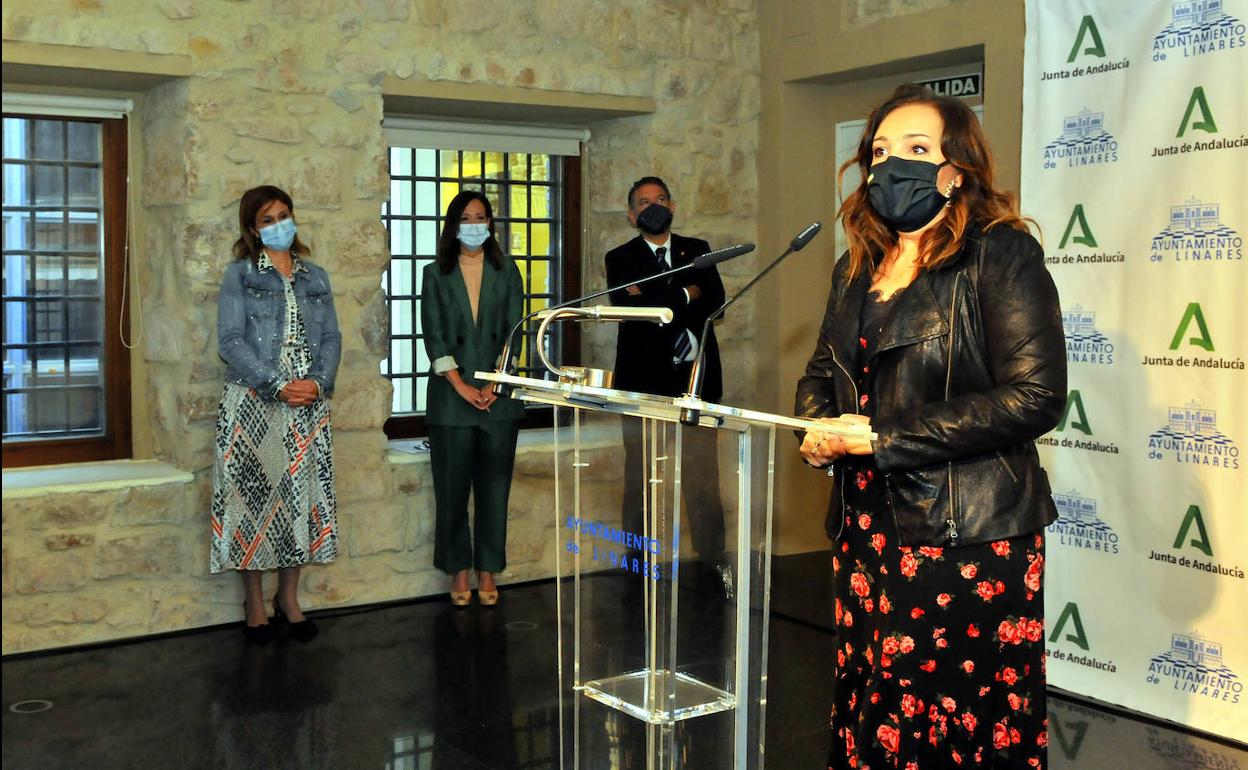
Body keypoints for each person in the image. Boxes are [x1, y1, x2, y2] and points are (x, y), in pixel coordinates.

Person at [795, 83, 1066, 768]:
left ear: (957, 169)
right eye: (881, 151)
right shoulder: (855, 267)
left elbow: (1036, 396)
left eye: (917, 149)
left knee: (955, 714)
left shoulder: (1000, 255)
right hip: (865, 526)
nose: (893, 166)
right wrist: (818, 431)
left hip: (965, 533)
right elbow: (820, 375)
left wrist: (883, 437)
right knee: (877, 703)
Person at [212, 184, 342, 643]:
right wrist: (277, 385)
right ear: (252, 227)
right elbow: (230, 341)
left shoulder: (316, 276)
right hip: (254, 402)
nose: (279, 224)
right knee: (250, 502)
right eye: (268, 219)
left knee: (299, 501)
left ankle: (288, 598)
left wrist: (318, 383)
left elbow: (330, 339)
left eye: (284, 215)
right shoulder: (240, 274)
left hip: (307, 404)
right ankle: (253, 602)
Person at [605, 176, 728, 579]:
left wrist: (661, 299)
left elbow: (718, 304)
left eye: (660, 199)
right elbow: (629, 308)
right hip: (642, 380)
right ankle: (638, 563)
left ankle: (713, 562)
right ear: (631, 214)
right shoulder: (619, 258)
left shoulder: (699, 250)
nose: (653, 206)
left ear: (672, 207)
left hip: (696, 380)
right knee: (639, 474)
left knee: (703, 475)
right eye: (643, 202)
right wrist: (686, 294)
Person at [422, 190, 525, 606]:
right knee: (451, 492)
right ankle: (458, 572)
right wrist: (462, 386)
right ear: (453, 224)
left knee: (494, 490)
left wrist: (495, 384)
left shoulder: (508, 270)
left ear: (490, 224)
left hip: (499, 398)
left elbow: (516, 329)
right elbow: (434, 334)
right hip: (451, 400)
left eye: (481, 216)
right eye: (466, 217)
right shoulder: (435, 273)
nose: (474, 224)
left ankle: (487, 571)